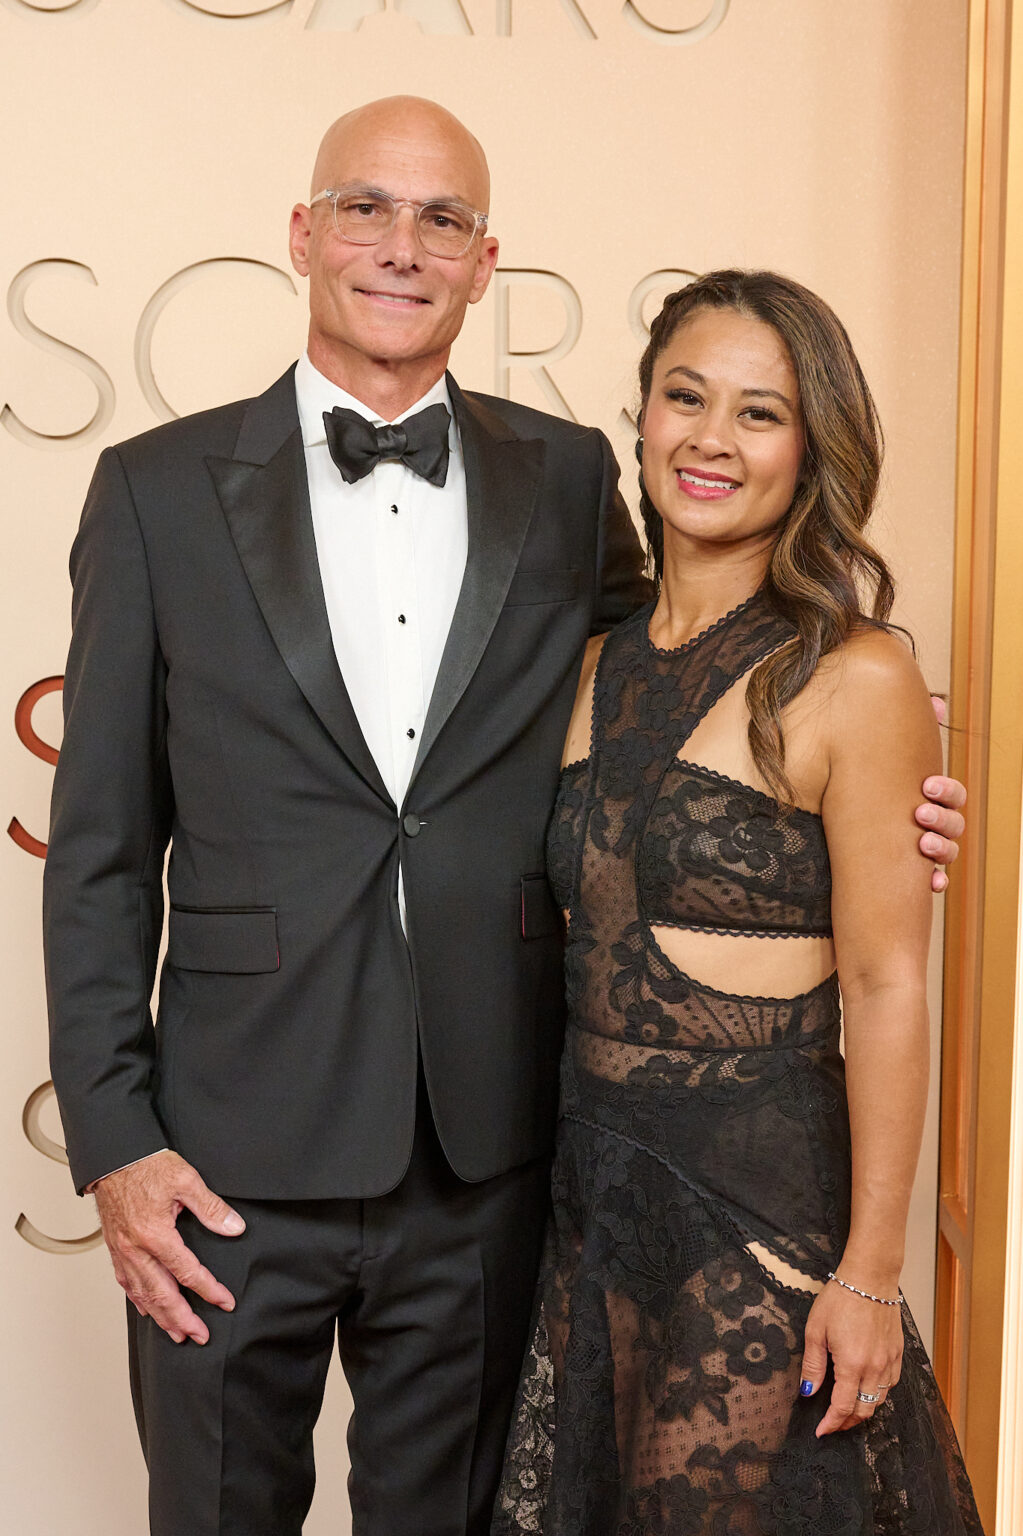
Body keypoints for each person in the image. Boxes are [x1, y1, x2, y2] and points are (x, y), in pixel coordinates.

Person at [41, 97, 964, 1536]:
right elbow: (96, 851)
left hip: (486, 1165)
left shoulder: (570, 479)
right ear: (303, 233)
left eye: (443, 220)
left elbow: (672, 701)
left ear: (485, 264)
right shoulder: (154, 494)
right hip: (221, 1164)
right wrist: (114, 1137)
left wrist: (886, 814)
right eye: (365, 207)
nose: (401, 246)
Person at [494, 270, 982, 1535]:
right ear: (642, 417)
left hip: (759, 1224)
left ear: (813, 447)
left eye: (759, 413)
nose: (711, 438)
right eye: (684, 397)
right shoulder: (592, 660)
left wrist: (871, 1276)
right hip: (591, 1212)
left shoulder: (858, 675)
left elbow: (887, 985)